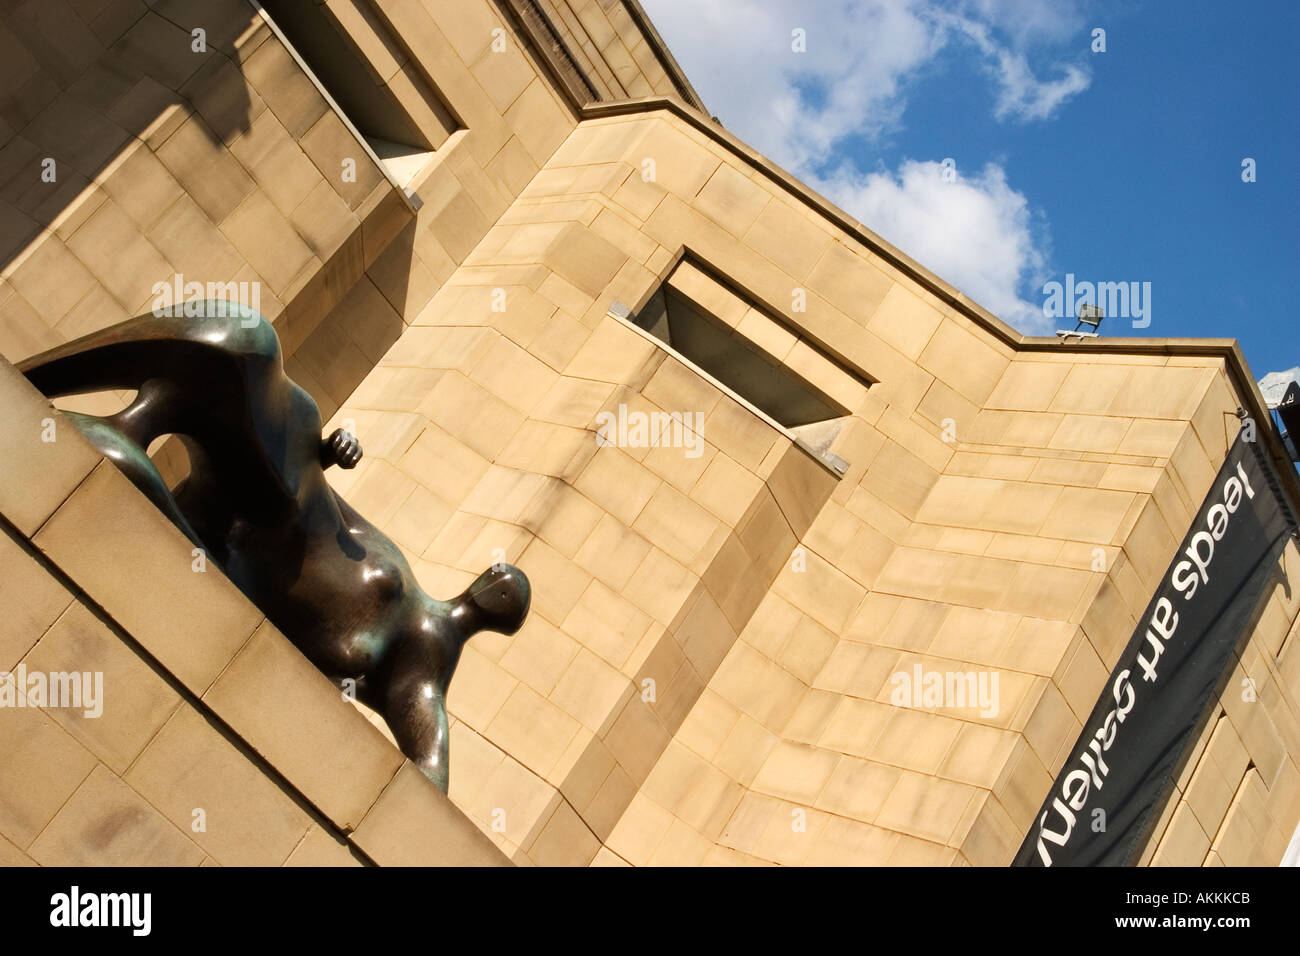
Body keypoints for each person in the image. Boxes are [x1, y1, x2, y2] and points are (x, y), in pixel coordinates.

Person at [20, 301, 529, 793]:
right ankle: (65, 391)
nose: (496, 583)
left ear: (500, 618)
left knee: (124, 464)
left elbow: (429, 775)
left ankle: (109, 436)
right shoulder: (407, 583)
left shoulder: (422, 678)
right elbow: (339, 514)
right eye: (501, 576)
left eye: (505, 590)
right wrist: (328, 453)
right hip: (274, 492)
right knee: (243, 340)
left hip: (221, 558)